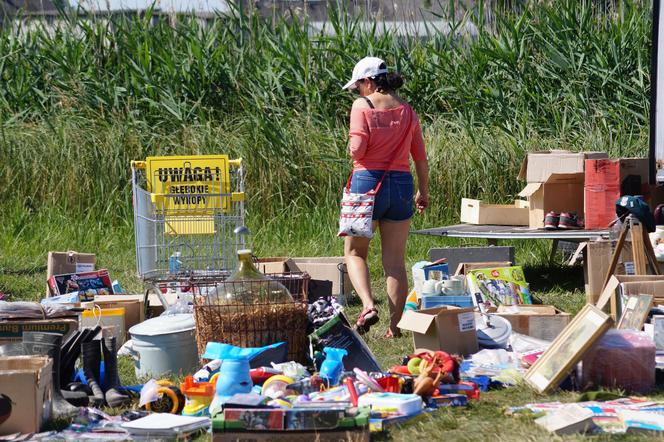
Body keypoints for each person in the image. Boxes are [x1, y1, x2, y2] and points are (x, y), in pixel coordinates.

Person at [341, 56, 429, 338]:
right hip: (402, 184)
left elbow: (357, 150)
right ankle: (395, 327)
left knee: (355, 252)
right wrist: (423, 191)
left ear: (368, 82)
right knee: (394, 262)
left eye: (358, 86)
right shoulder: (407, 110)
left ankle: (368, 305)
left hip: (367, 182)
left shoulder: (361, 106)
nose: (357, 92)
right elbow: (420, 157)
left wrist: (353, 146)